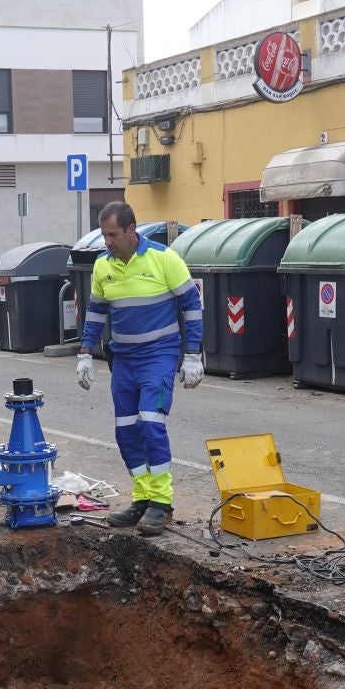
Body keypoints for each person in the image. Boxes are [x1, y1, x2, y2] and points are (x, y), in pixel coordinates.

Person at [76, 202, 204, 535]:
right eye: (104, 234)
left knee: (151, 422)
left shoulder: (165, 259)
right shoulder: (103, 267)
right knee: (126, 430)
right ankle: (143, 497)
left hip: (159, 357)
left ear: (132, 230)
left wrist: (192, 354)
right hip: (124, 361)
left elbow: (191, 306)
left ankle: (161, 503)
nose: (107, 241)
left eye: (113, 234)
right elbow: (96, 313)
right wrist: (85, 352)